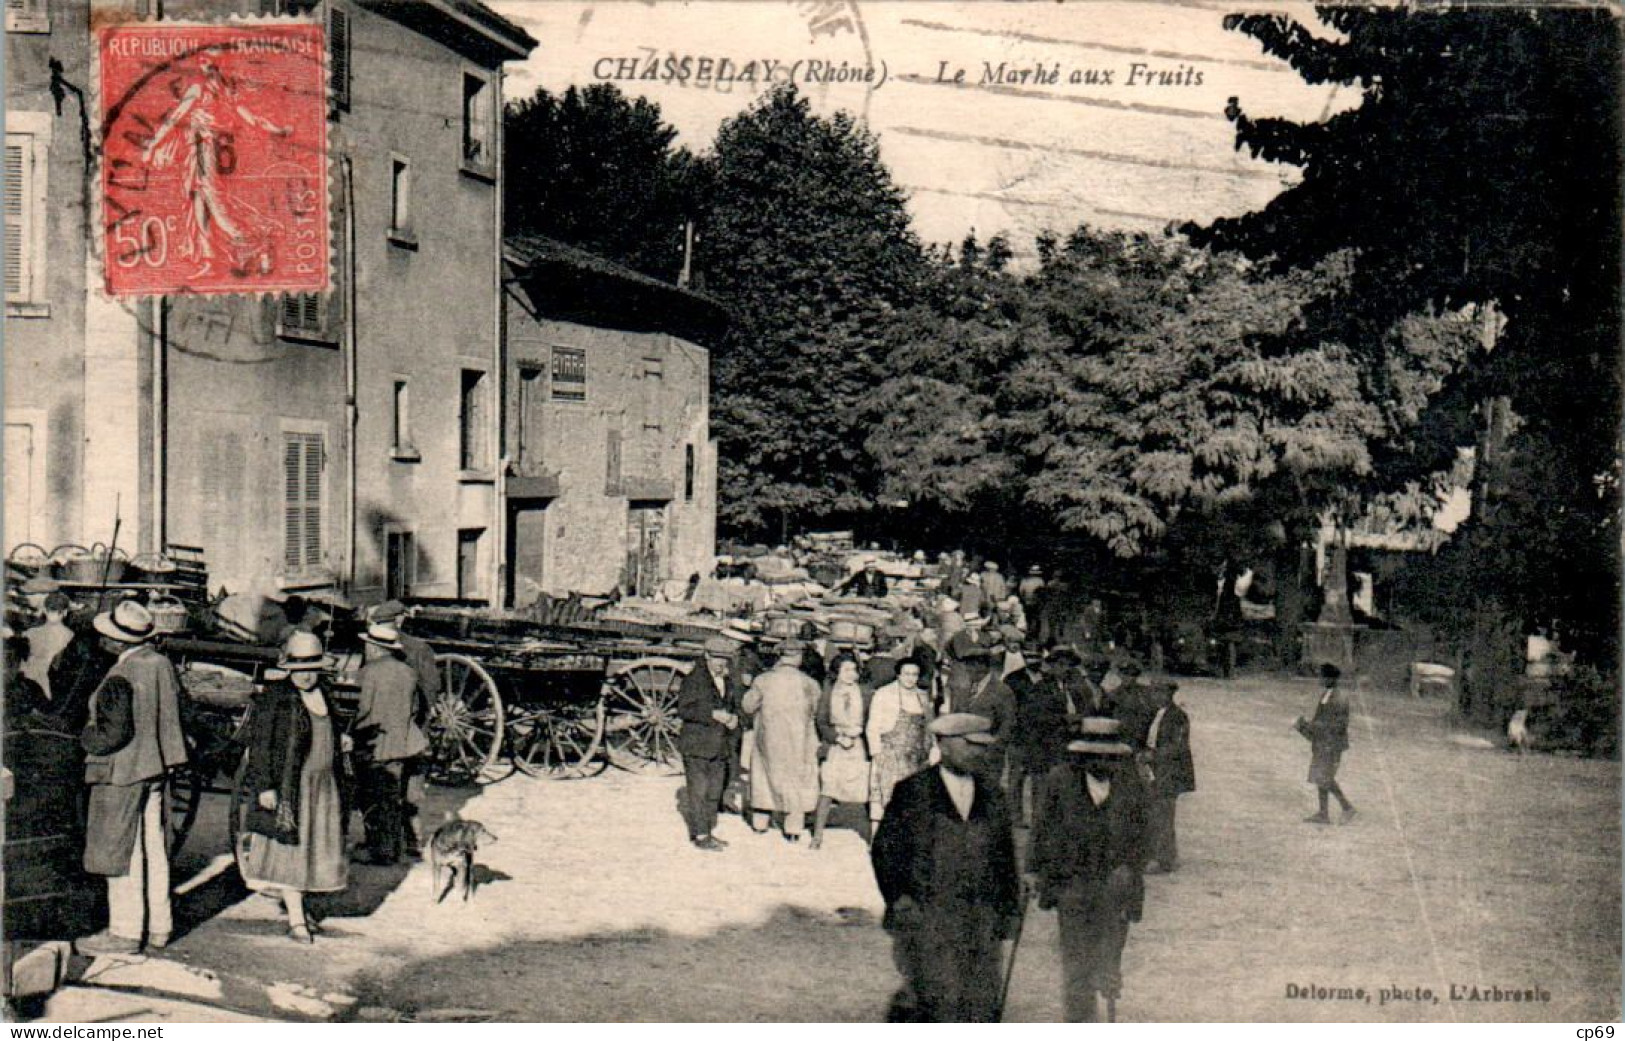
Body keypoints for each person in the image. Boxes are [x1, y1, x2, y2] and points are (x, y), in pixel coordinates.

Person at [870, 713, 1022, 1022]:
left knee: (981, 996)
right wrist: (899, 897)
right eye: (972, 746)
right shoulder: (913, 791)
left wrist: (1008, 909)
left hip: (981, 916)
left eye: (983, 747)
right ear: (946, 745)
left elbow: (1004, 856)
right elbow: (886, 850)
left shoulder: (993, 794)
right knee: (934, 995)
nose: (980, 753)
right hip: (930, 913)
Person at [76, 601, 189, 956]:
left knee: (120, 852)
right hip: (156, 768)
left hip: (122, 772)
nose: (104, 641)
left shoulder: (120, 675)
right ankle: (159, 926)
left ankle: (124, 933)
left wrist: (85, 738)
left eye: (108, 637)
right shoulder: (160, 664)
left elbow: (113, 734)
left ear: (118, 642)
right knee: (154, 849)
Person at [1030, 718, 1150, 1022]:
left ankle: (1105, 985)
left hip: (1116, 886)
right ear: (1081, 757)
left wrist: (1130, 869)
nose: (1103, 762)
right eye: (1095, 756)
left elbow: (1144, 834)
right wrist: (1037, 873)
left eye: (1110, 757)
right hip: (1073, 884)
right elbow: (1042, 831)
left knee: (1109, 961)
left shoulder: (1131, 783)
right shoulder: (1059, 781)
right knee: (1077, 962)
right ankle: (1080, 1021)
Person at [236, 633, 349, 943]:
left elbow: (328, 731)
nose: (306, 675)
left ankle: (302, 909)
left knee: (312, 850)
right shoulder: (276, 697)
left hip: (322, 789)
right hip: (291, 788)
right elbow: (260, 746)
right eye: (300, 669)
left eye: (312, 668)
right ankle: (297, 920)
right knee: (291, 853)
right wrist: (265, 787)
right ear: (288, 669)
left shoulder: (325, 693)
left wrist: (341, 742)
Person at [350, 623, 429, 864]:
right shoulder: (408, 672)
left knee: (377, 798)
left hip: (379, 744)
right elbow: (417, 708)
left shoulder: (367, 672)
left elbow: (361, 709)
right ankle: (410, 843)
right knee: (404, 796)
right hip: (408, 742)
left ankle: (384, 851)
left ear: (374, 647)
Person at [369, 600, 437, 855]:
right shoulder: (420, 649)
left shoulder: (378, 649)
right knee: (409, 788)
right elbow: (430, 694)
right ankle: (411, 841)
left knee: (392, 787)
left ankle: (392, 843)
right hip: (412, 730)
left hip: (391, 730)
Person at [741, 640, 821, 842]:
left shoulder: (763, 680)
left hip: (769, 739)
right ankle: (793, 829)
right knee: (795, 778)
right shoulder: (809, 684)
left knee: (764, 775)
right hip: (798, 741)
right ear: (798, 657)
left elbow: (748, 706)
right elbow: (816, 712)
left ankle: (760, 823)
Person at [675, 637, 740, 852]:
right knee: (699, 792)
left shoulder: (726, 679)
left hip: (718, 746)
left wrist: (734, 718)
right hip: (696, 745)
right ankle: (701, 835)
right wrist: (714, 714)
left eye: (725, 659)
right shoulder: (694, 680)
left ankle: (708, 831)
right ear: (707, 656)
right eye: (718, 659)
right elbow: (684, 710)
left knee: (714, 792)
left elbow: (732, 705)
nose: (722, 663)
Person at [813, 654, 872, 849]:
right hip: (837, 746)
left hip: (858, 747)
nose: (850, 674)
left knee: (866, 788)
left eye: (853, 670)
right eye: (845, 670)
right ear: (836, 671)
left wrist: (860, 733)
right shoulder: (829, 691)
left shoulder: (864, 692)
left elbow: (872, 718)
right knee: (828, 788)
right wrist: (837, 737)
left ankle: (870, 835)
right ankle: (818, 835)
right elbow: (821, 721)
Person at [1141, 682, 1193, 872]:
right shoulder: (1154, 713)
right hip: (1155, 769)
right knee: (1155, 812)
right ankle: (1163, 855)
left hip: (1170, 771)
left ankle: (1163, 858)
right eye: (1154, 692)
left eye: (1161, 692)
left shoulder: (1178, 716)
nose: (1156, 696)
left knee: (1163, 813)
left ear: (1170, 694)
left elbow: (1179, 746)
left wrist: (1155, 755)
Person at [1297, 662, 1355, 824]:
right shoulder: (1327, 694)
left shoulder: (1339, 698)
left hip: (1331, 744)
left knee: (1325, 777)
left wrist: (1308, 726)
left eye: (1322, 676)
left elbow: (1335, 725)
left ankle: (1347, 807)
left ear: (1330, 678)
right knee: (1321, 777)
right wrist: (1306, 726)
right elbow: (1321, 721)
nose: (1319, 679)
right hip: (1324, 743)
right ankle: (1324, 813)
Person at [22, 592, 75, 700]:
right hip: (51, 684)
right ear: (65, 612)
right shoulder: (70, 636)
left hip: (28, 679)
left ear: (45, 610)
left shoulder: (30, 633)